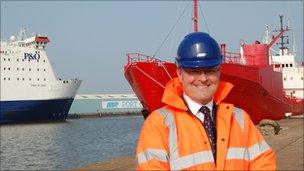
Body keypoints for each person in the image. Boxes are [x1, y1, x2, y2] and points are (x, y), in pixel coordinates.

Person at [136, 32, 276, 170]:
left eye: (209, 71)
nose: (203, 78)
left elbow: (263, 161)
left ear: (219, 71)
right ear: (179, 73)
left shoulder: (240, 119)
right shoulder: (158, 124)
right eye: (194, 71)